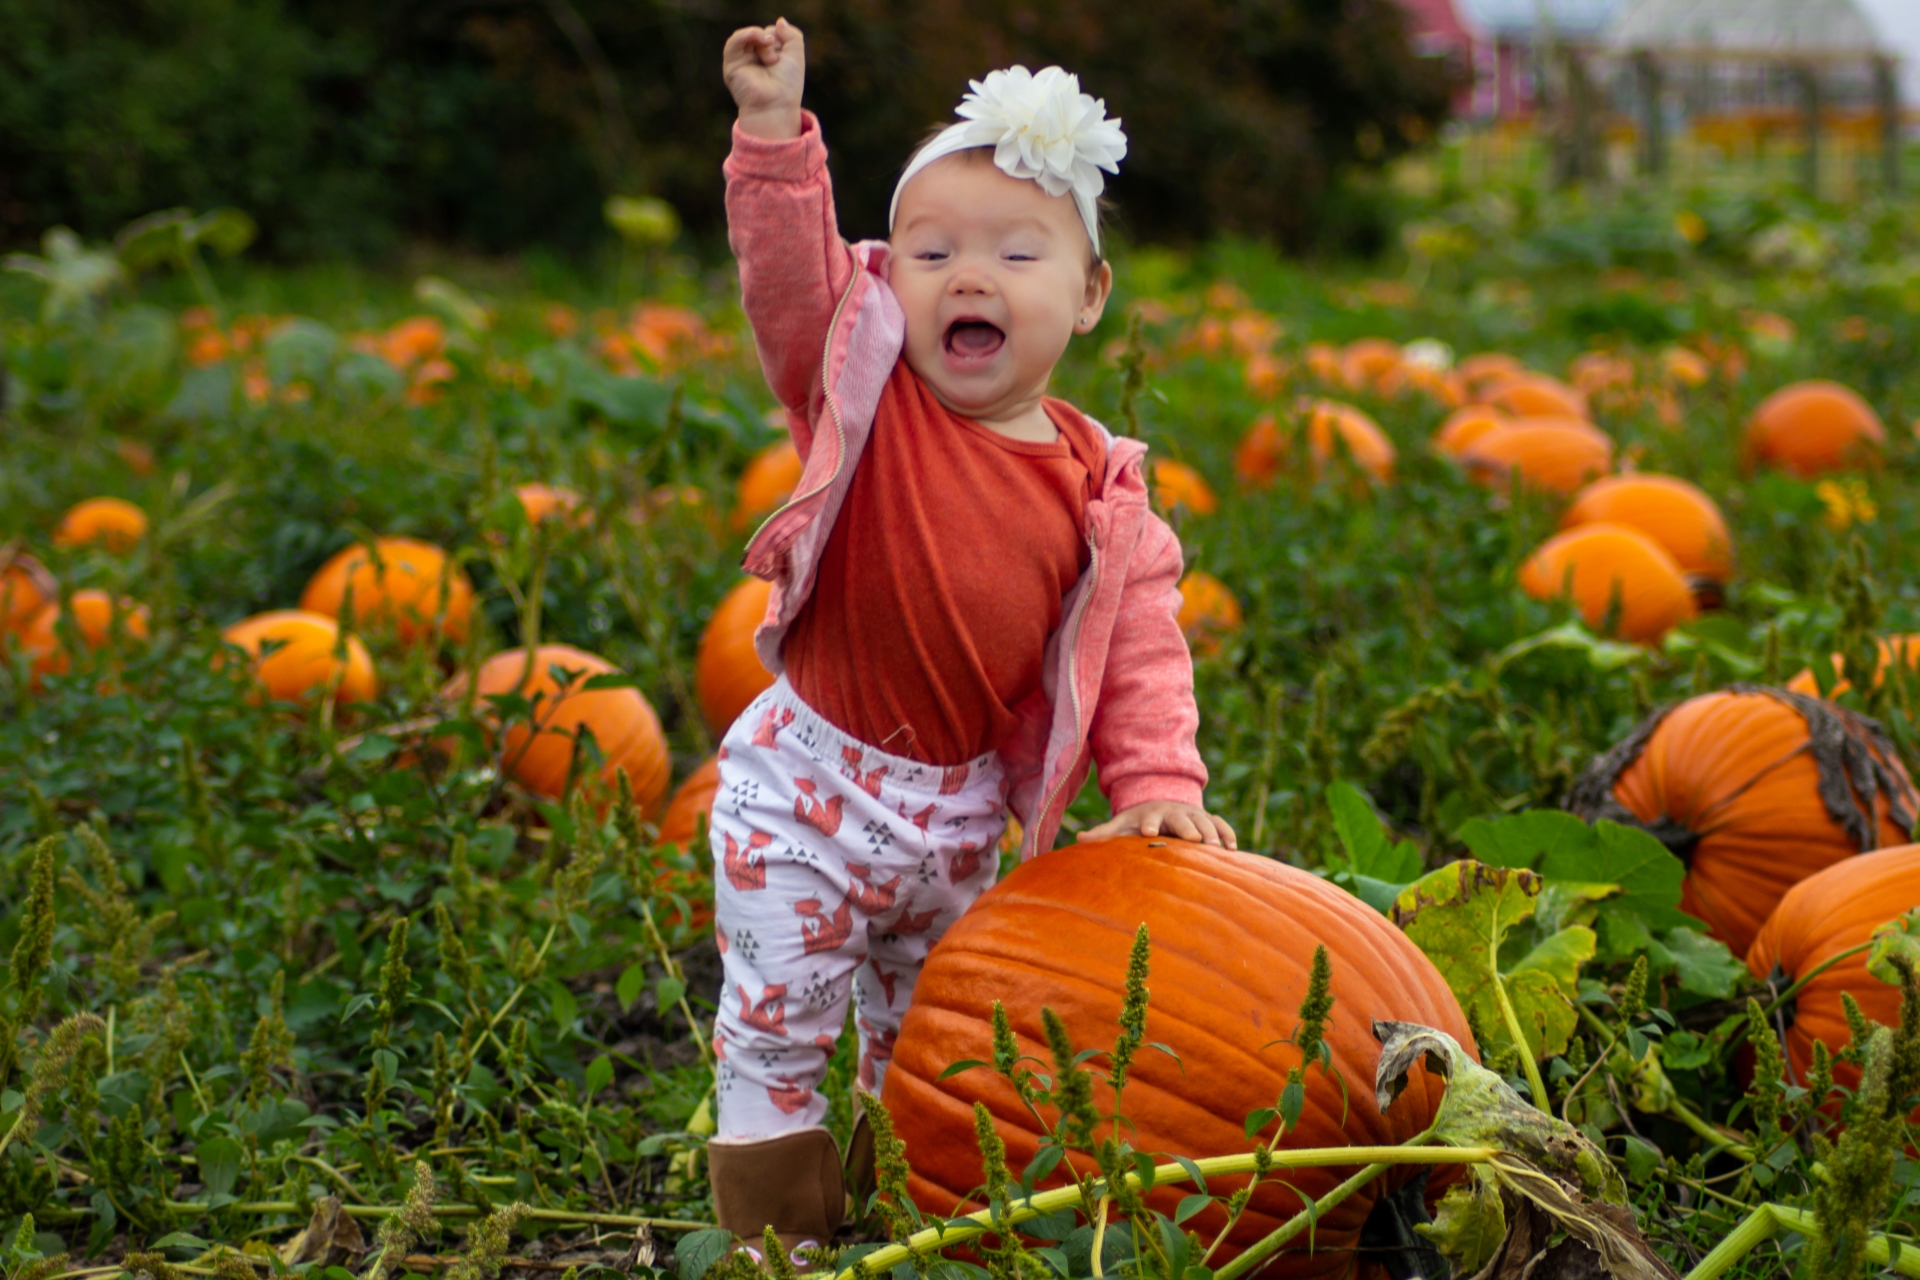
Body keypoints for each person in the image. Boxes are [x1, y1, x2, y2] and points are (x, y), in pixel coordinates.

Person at [709, 17, 1238, 1261]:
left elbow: (1146, 659)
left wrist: (1160, 782)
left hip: (961, 817)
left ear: (1089, 294)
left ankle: (904, 1210)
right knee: (781, 1020)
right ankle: (775, 1239)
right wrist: (776, 137)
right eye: (932, 250)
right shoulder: (865, 394)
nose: (969, 274)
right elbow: (793, 284)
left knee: (936, 1038)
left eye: (1016, 250)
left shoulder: (1105, 495)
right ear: (889, 283)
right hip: (806, 785)